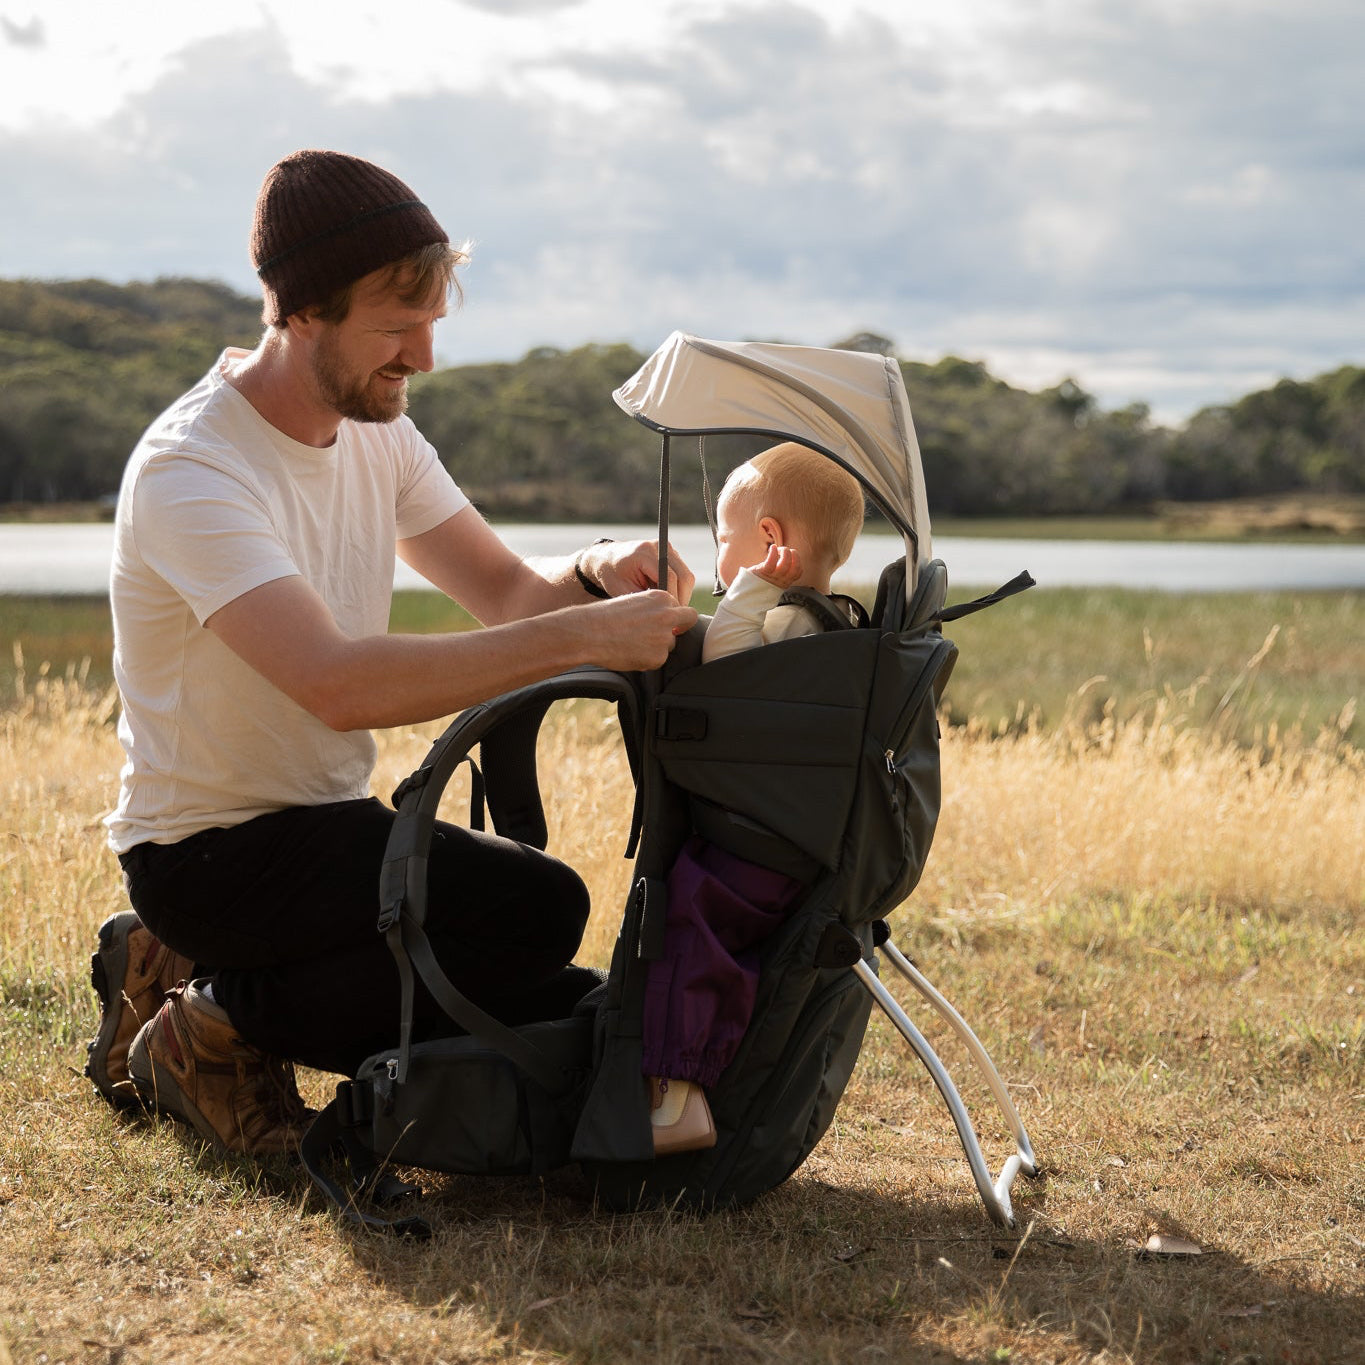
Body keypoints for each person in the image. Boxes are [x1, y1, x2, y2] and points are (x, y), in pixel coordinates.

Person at [85, 148, 697, 1156]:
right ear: (301, 310)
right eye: (395, 328)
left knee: (558, 991)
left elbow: (504, 594)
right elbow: (336, 682)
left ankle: (182, 973)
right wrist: (588, 637)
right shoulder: (192, 470)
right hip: (208, 853)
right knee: (539, 911)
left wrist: (596, 570)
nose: (421, 358)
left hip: (326, 826)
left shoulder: (379, 431)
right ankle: (212, 1018)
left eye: (431, 326)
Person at [643, 441, 866, 1153]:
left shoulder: (789, 623)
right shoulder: (832, 620)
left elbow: (726, 667)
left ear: (768, 540)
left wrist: (741, 597)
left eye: (720, 539)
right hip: (798, 833)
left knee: (692, 924)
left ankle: (676, 1091)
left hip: (756, 841)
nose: (716, 556)